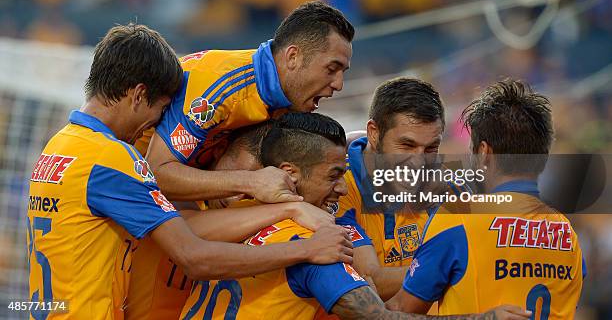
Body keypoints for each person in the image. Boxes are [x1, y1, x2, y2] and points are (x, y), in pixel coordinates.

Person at [26, 24, 353, 319]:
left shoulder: (59, 147)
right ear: (139, 95)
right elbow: (195, 257)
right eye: (161, 109)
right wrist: (307, 249)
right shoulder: (113, 160)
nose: (156, 124)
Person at [180, 112, 530, 320]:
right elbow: (378, 317)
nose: (343, 188)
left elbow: (186, 233)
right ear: (290, 172)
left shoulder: (238, 212)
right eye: (333, 175)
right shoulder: (318, 249)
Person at [386, 79, 585, 319]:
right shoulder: (568, 235)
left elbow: (399, 311)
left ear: (483, 153)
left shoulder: (460, 219)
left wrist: (348, 284)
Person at [140, 0, 354, 203]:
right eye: (331, 69)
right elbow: (158, 172)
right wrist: (249, 182)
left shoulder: (288, 99)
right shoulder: (219, 87)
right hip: (135, 183)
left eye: (342, 72)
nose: (339, 84)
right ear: (293, 57)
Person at [126, 122, 337, 319]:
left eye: (264, 186)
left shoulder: (262, 213)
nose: (242, 194)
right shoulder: (169, 195)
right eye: (244, 177)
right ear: (221, 150)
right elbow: (189, 230)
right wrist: (292, 209)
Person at [333, 78, 466, 300]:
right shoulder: (337, 187)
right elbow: (370, 280)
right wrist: (452, 267)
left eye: (431, 148)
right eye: (407, 145)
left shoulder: (448, 188)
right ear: (374, 133)